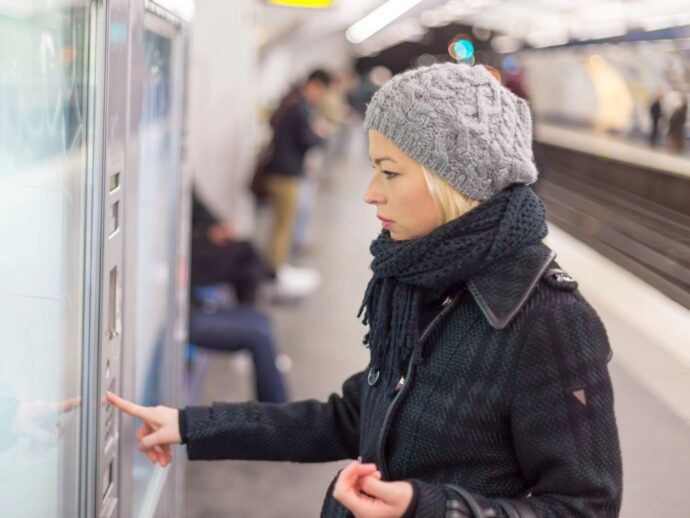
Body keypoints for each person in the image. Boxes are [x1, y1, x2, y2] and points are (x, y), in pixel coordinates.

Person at [108, 63, 622, 517]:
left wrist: (430, 508)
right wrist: (189, 425)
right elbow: (351, 417)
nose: (370, 192)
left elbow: (585, 507)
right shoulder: (415, 280)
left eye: (390, 172)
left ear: (456, 182)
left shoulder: (549, 321)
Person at [264, 69, 331, 273]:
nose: (320, 96)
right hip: (287, 174)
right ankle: (276, 270)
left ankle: (274, 267)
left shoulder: (288, 101)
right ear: (314, 85)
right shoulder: (300, 108)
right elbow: (307, 140)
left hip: (275, 169)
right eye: (321, 91)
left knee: (278, 223)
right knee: (284, 226)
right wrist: (320, 134)